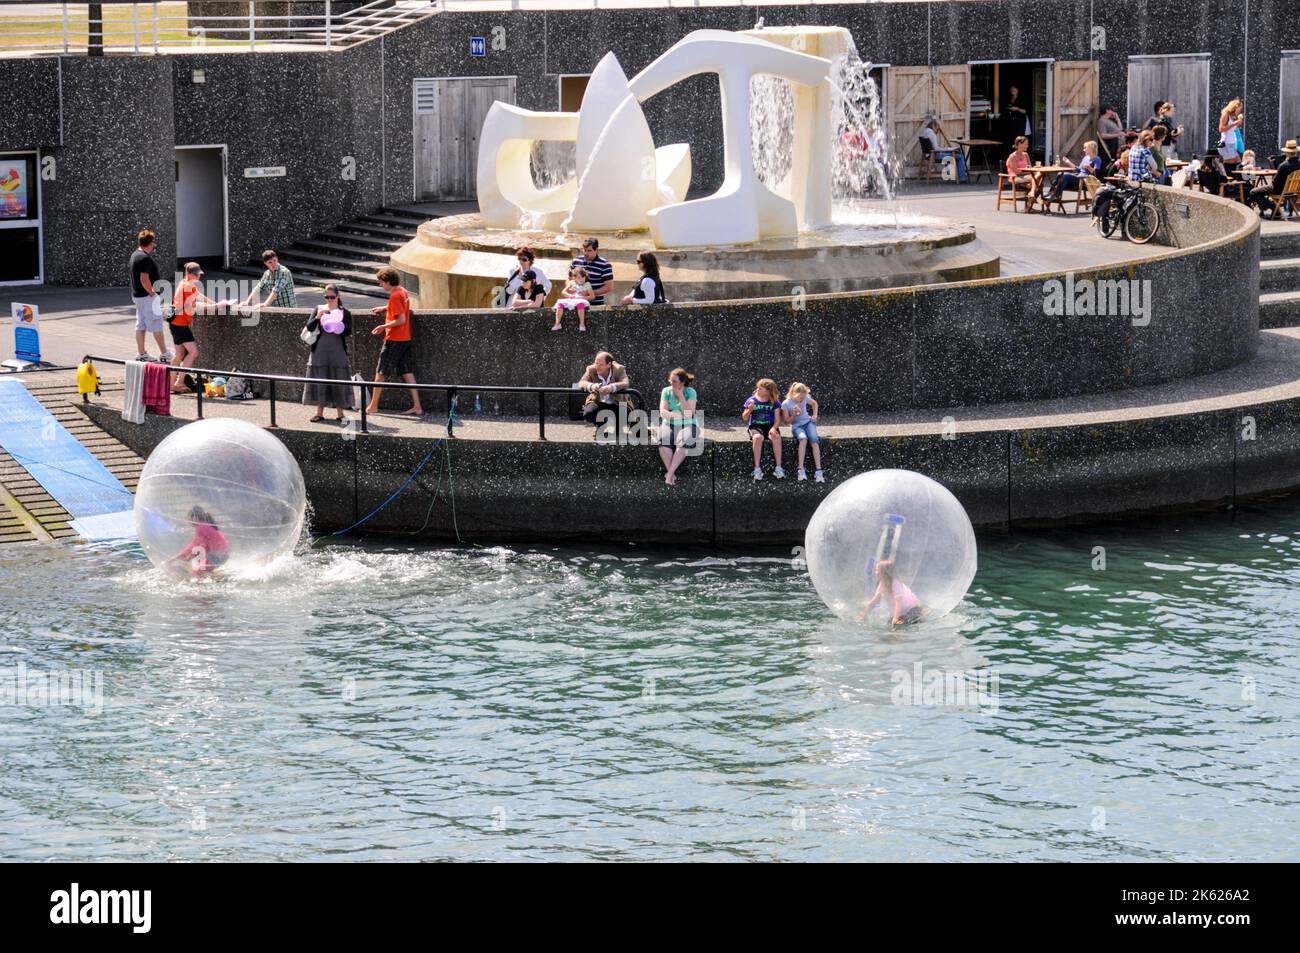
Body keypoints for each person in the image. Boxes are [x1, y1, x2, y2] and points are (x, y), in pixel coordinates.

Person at [365, 266, 423, 417]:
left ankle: (373, 406)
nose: (380, 285)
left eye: (381, 282)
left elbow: (401, 319)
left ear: (387, 281)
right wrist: (385, 308)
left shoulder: (395, 296)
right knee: (407, 372)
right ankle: (417, 406)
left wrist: (383, 326)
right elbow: (402, 309)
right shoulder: (402, 291)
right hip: (405, 339)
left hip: (394, 340)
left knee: (381, 373)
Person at [302, 284, 353, 424]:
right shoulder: (319, 309)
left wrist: (339, 324)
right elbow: (309, 327)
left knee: (339, 379)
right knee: (320, 380)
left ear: (338, 296)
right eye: (327, 297)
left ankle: (340, 413)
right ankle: (319, 413)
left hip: (337, 351)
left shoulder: (345, 312)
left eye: (332, 297)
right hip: (320, 351)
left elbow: (348, 331)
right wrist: (318, 317)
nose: (329, 299)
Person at [169, 261, 218, 393]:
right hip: (180, 323)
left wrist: (216, 303)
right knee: (193, 352)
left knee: (179, 354)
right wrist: (216, 307)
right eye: (196, 275)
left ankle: (171, 384)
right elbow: (191, 308)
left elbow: (199, 296)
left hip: (174, 322)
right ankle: (178, 383)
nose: (198, 277)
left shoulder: (185, 283)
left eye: (199, 274)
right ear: (189, 274)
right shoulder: (188, 286)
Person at [130, 229, 171, 363]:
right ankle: (165, 353)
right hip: (147, 297)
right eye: (153, 243)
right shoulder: (144, 258)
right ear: (149, 243)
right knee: (156, 323)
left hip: (138, 296)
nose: (154, 245)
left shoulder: (135, 255)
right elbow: (144, 278)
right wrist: (152, 293)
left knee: (140, 324)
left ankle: (142, 353)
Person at [658, 367, 697, 487]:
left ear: (682, 382)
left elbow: (690, 414)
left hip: (688, 425)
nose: (671, 383)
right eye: (670, 380)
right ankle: (671, 474)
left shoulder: (690, 392)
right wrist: (679, 416)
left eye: (674, 381)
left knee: (684, 442)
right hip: (668, 424)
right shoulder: (666, 391)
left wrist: (680, 396)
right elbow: (662, 412)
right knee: (663, 442)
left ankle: (669, 474)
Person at [578, 350, 630, 436]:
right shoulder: (591, 369)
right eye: (596, 363)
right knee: (589, 413)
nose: (597, 367)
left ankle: (617, 426)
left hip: (616, 403)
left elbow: (625, 383)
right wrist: (592, 386)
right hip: (598, 402)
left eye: (600, 364)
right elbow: (581, 382)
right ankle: (600, 425)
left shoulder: (619, 369)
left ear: (609, 364)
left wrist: (611, 387)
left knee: (625, 415)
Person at [857, 559, 923, 626]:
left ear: (884, 572)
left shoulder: (896, 583)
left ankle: (919, 620)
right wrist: (864, 615)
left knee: (898, 624)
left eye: (877, 570)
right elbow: (874, 601)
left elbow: (898, 602)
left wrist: (895, 618)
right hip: (902, 612)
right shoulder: (882, 584)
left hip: (912, 610)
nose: (875, 572)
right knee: (890, 623)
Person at [781, 381, 824, 483]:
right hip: (797, 426)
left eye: (803, 398)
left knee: (814, 439)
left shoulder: (805, 397)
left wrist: (815, 415)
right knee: (803, 439)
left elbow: (814, 403)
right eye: (800, 398)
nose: (802, 399)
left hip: (808, 422)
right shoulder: (786, 404)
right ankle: (801, 469)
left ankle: (818, 470)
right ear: (793, 393)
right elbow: (786, 421)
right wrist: (795, 414)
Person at [743, 378, 784, 480]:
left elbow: (778, 420)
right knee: (757, 438)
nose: (758, 390)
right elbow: (744, 417)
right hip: (756, 426)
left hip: (770, 426)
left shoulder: (774, 402)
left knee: (776, 437)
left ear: (768, 391)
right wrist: (749, 409)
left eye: (761, 389)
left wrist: (774, 428)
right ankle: (757, 468)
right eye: (758, 388)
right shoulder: (752, 400)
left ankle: (778, 468)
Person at [170, 506, 230, 576]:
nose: (187, 520)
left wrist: (175, 559)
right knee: (202, 572)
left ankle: (221, 579)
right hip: (222, 555)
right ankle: (219, 577)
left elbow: (195, 547)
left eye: (189, 517)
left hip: (216, 556)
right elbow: (198, 546)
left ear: (195, 518)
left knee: (198, 574)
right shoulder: (205, 526)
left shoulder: (201, 527)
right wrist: (185, 558)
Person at [1249, 139, 1300, 219]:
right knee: (1261, 190)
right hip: (1293, 191)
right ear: (1296, 151)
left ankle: (1273, 207)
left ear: (1286, 152)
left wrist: (1273, 179)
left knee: (1253, 192)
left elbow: (1275, 182)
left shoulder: (1283, 166)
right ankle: (1268, 207)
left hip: (1279, 190)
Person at [918, 116, 966, 182]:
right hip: (935, 155)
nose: (937, 130)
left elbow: (933, 147)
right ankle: (962, 177)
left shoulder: (924, 132)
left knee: (951, 154)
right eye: (937, 128)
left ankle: (949, 175)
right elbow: (937, 149)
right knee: (960, 156)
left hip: (928, 155)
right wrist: (947, 149)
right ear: (934, 126)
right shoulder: (931, 134)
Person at [570, 237, 613, 307]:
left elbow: (609, 287)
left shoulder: (605, 264)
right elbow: (569, 279)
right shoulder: (576, 261)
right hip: (575, 303)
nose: (586, 253)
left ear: (596, 250)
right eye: (584, 250)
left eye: (589, 251)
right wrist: (573, 290)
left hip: (596, 305)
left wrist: (589, 293)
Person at [553, 265, 594, 330]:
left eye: (583, 277)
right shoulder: (572, 283)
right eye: (579, 277)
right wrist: (569, 295)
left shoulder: (587, 284)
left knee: (580, 305)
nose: (582, 279)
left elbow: (592, 296)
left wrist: (582, 297)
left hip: (581, 300)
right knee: (560, 304)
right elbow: (563, 292)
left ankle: (582, 324)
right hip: (572, 299)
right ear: (574, 278)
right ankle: (557, 323)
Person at [1005, 135, 1038, 208]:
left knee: (1037, 179)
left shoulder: (1026, 155)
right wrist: (1028, 171)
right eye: (1026, 144)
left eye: (1027, 144)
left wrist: (1034, 168)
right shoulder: (1012, 156)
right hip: (1015, 177)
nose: (1027, 146)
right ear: (1019, 144)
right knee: (1035, 179)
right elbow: (1017, 172)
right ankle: (1030, 203)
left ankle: (1030, 196)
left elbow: (1030, 167)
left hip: (1026, 176)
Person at [1218, 99, 1245, 173]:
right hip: (1225, 143)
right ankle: (1229, 181)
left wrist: (1238, 123)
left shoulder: (1233, 117)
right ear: (1234, 108)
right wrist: (1234, 123)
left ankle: (1245, 180)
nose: (1239, 111)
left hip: (1232, 143)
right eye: (1238, 109)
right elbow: (1221, 129)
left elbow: (1231, 129)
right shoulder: (1226, 114)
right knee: (1230, 162)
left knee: (1239, 162)